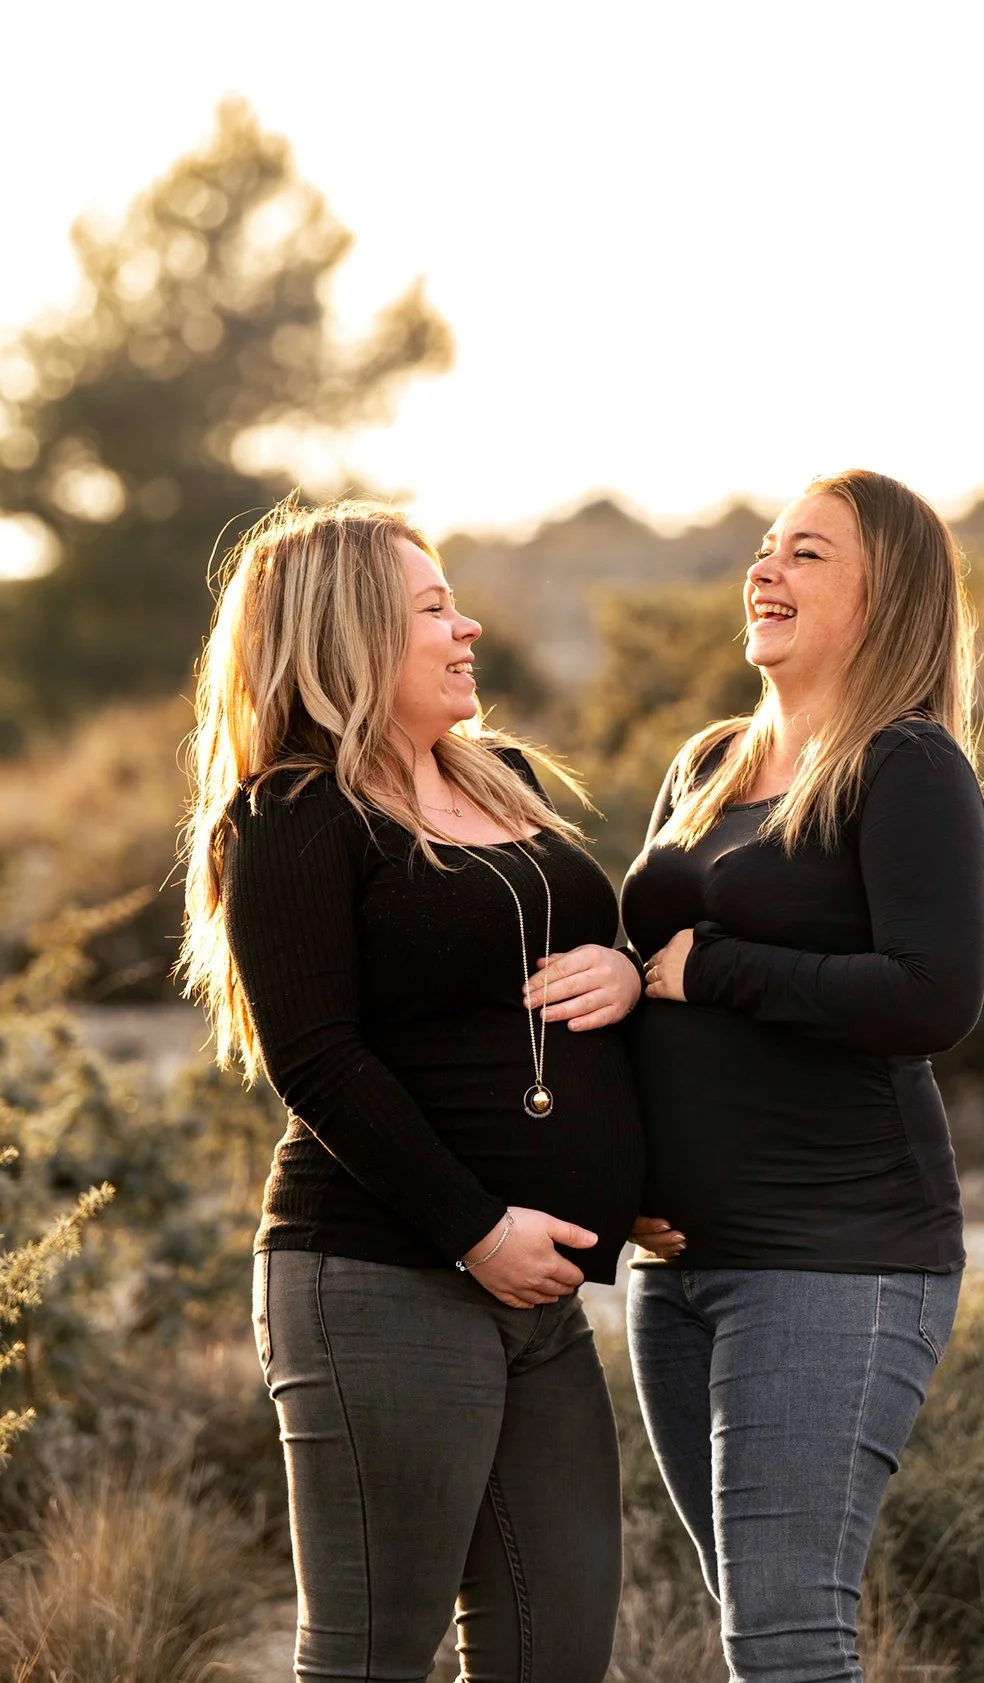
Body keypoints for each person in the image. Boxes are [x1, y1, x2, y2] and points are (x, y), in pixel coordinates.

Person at [180, 497, 643, 1683]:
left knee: (556, 1654)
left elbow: (571, 958)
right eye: (434, 607)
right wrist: (479, 1232)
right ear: (349, 638)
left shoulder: (508, 781)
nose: (468, 626)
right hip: (381, 1276)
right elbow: (317, 1058)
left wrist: (627, 971)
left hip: (542, 1288)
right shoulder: (292, 814)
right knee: (373, 1656)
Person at [620, 469, 984, 1682]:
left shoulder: (907, 766)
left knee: (786, 1643)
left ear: (886, 599)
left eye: (809, 555)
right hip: (677, 1267)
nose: (765, 569)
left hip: (836, 1252)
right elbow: (646, 980)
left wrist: (716, 970)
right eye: (768, 547)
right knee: (759, 1629)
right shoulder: (713, 759)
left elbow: (933, 997)